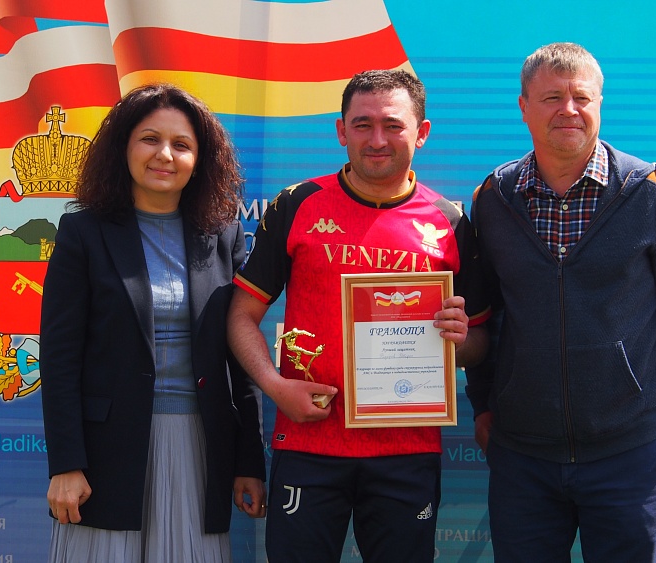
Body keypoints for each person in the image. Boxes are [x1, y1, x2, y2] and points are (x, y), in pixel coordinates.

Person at [467, 42, 656, 562]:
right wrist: (485, 403)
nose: (569, 110)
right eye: (552, 98)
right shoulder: (493, 199)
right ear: (523, 106)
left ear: (600, 103)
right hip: (522, 457)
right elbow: (481, 314)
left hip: (630, 454)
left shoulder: (653, 192)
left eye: (581, 97)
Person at [228, 69, 490, 562]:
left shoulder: (451, 222)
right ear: (340, 130)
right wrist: (275, 386)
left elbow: (480, 343)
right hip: (308, 443)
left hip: (407, 451)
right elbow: (242, 315)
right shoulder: (297, 205)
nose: (377, 140)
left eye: (393, 125)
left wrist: (460, 340)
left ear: (422, 132)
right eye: (362, 124)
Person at [40, 83, 267, 563]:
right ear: (123, 147)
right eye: (149, 139)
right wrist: (66, 464)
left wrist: (250, 460)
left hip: (199, 448)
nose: (165, 154)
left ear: (199, 161)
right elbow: (59, 359)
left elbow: (240, 357)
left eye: (181, 145)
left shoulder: (223, 237)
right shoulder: (83, 232)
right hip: (106, 456)